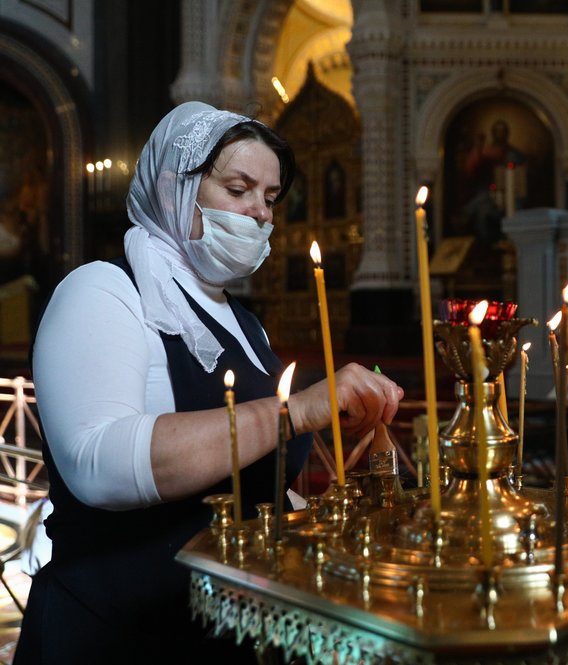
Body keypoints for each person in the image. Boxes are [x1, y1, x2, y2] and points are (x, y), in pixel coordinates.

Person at [14, 101, 404, 664]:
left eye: (270, 199)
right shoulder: (103, 290)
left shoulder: (246, 326)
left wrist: (332, 522)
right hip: (119, 633)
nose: (261, 214)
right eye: (239, 188)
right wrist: (295, 411)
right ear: (177, 185)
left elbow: (255, 489)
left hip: (231, 633)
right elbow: (99, 468)